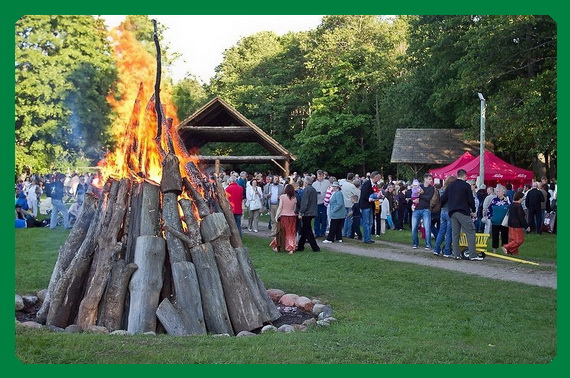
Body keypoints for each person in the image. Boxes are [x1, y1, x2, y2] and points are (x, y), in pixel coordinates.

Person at [440, 169, 481, 261]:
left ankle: (456, 254)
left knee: (455, 233)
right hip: (463, 211)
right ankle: (472, 254)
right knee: (470, 232)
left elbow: (443, 198)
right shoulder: (466, 186)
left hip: (452, 212)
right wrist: (473, 210)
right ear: (464, 176)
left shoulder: (450, 186)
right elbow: (470, 199)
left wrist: (441, 206)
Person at [407, 173, 435, 250]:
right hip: (417, 209)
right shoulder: (419, 186)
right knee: (414, 227)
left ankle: (428, 244)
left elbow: (428, 198)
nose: (430, 180)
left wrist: (419, 195)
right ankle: (415, 243)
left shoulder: (431, 188)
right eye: (429, 179)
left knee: (427, 227)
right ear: (425, 179)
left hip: (426, 209)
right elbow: (410, 193)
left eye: (431, 179)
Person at [270, 184, 298, 254]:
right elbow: (294, 209)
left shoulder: (282, 197)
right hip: (292, 217)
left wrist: (276, 216)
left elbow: (280, 207)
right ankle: (291, 247)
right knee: (291, 233)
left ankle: (278, 245)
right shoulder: (294, 198)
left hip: (284, 217)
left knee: (281, 232)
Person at [433, 176, 457, 257]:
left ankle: (436, 249)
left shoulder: (442, 190)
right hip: (449, 211)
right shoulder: (452, 190)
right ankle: (447, 251)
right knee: (449, 232)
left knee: (441, 231)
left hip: (442, 211)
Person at [502, 191, 530, 256]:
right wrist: (526, 226)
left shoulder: (512, 204)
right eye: (523, 198)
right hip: (517, 225)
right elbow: (521, 217)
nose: (523, 199)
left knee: (512, 240)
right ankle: (506, 247)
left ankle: (513, 253)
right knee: (519, 240)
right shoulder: (518, 206)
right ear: (520, 198)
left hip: (510, 224)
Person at [297, 176, 320, 252]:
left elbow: (304, 203)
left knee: (308, 230)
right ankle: (300, 246)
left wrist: (301, 212)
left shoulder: (306, 190)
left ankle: (315, 247)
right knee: (304, 230)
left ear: (306, 182)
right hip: (312, 211)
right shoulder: (313, 189)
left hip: (307, 213)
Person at [486, 184, 511, 253]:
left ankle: (505, 249)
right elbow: (489, 209)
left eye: (499, 191)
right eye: (496, 191)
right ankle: (494, 249)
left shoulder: (507, 200)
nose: (497, 193)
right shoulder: (494, 200)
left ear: (503, 192)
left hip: (504, 222)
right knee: (495, 236)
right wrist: (490, 217)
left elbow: (511, 208)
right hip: (495, 221)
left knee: (504, 235)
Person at [359, 171, 381, 244]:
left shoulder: (374, 185)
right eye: (378, 178)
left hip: (370, 205)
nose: (378, 180)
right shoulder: (367, 184)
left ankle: (368, 237)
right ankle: (366, 238)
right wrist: (371, 198)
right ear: (375, 177)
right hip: (365, 205)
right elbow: (364, 195)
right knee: (366, 222)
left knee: (371, 222)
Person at [312, 170, 330, 238]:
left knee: (324, 218)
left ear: (323, 176)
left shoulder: (327, 183)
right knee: (317, 218)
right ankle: (317, 232)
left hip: (324, 203)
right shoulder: (314, 184)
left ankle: (323, 232)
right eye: (319, 176)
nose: (320, 178)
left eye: (321, 176)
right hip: (317, 203)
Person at [341, 173, 360, 238]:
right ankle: (349, 233)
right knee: (349, 219)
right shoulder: (352, 186)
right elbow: (357, 194)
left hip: (344, 203)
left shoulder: (343, 185)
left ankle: (344, 232)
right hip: (350, 204)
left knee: (346, 219)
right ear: (352, 178)